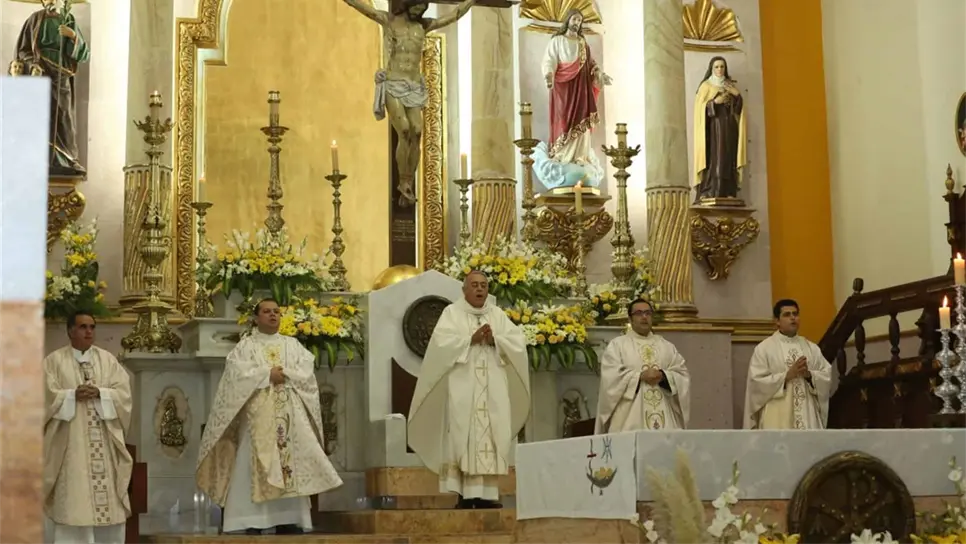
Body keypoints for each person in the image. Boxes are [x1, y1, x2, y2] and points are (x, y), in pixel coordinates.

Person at [196, 298, 342, 535]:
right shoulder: (245, 346)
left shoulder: (292, 345)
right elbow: (235, 376)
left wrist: (283, 373)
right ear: (256, 318)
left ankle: (288, 517)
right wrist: (266, 375)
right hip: (257, 416)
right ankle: (250, 519)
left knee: (289, 462)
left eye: (276, 311)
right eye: (266, 311)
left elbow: (306, 371)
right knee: (251, 462)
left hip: (289, 415)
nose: (273, 315)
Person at [408, 271, 530, 509]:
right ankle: (464, 495)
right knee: (464, 435)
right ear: (464, 290)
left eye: (484, 285)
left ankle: (487, 495)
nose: (480, 289)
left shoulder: (497, 314)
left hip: (493, 387)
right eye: (474, 285)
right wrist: (469, 340)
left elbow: (516, 341)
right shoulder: (452, 313)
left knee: (492, 435)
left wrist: (497, 340)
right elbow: (440, 346)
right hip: (463, 388)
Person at [342, 0, 477, 207]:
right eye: (418, 6)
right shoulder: (389, 20)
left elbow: (454, 14)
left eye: (423, 7)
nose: (421, 10)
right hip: (394, 82)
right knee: (403, 129)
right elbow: (362, 7)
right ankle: (402, 180)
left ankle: (408, 180)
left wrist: (471, 1)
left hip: (414, 86)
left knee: (417, 131)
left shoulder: (424, 26)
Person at [43, 311, 133, 543]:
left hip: (103, 445)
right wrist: (71, 396)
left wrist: (102, 393)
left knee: (108, 507)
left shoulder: (107, 360)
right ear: (70, 331)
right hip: (71, 446)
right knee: (74, 503)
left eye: (92, 327)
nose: (89, 332)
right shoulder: (54, 362)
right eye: (83, 327)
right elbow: (43, 396)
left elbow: (123, 395)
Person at [14, 0, 90, 176]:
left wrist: (72, 36)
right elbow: (23, 50)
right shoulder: (34, 20)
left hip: (61, 73)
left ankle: (66, 159)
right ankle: (39, 158)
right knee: (41, 116)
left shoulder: (67, 18)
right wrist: (34, 63)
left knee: (63, 115)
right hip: (40, 73)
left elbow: (84, 54)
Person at [595, 299, 690, 433]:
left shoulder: (666, 346)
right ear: (630, 318)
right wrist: (639, 377)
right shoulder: (618, 345)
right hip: (628, 419)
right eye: (639, 313)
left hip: (666, 418)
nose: (644, 317)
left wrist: (663, 376)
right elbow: (610, 379)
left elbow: (682, 374)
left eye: (647, 313)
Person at [743, 299, 833, 430]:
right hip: (777, 415)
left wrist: (809, 375)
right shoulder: (764, 349)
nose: (792, 318)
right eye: (787, 315)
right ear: (777, 321)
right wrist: (786, 376)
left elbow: (826, 375)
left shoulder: (812, 348)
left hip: (807, 413)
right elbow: (756, 383)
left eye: (795, 314)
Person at [541, 8, 611, 165]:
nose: (576, 24)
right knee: (563, 119)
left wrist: (600, 74)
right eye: (574, 20)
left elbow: (591, 64)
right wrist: (549, 74)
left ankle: (580, 155)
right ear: (567, 20)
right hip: (562, 88)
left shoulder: (583, 44)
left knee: (581, 117)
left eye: (579, 21)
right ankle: (561, 153)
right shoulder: (557, 41)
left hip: (581, 88)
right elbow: (549, 60)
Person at [693, 56, 747, 202]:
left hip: (729, 127)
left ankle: (728, 189)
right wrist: (714, 102)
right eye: (716, 67)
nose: (719, 69)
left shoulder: (730, 86)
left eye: (722, 66)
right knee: (716, 158)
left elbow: (738, 111)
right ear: (711, 68)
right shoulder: (706, 86)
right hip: (713, 130)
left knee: (728, 157)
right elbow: (699, 110)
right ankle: (711, 189)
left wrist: (737, 96)